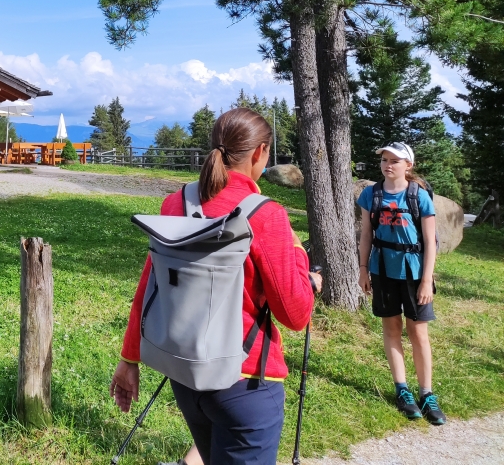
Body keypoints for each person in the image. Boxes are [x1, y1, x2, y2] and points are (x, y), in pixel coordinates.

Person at [110, 108, 319, 465]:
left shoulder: (177, 202)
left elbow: (150, 285)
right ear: (260, 153)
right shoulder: (266, 215)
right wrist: (299, 256)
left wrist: (130, 358)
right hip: (247, 381)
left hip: (186, 375)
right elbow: (296, 314)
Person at [357, 142, 446, 425]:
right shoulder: (370, 195)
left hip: (414, 272)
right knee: (391, 328)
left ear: (408, 165)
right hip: (382, 271)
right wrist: (362, 270)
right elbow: (366, 235)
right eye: (384, 159)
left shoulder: (419, 196)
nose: (388, 164)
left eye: (395, 160)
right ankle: (402, 390)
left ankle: (426, 393)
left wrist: (426, 280)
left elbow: (430, 243)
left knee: (418, 333)